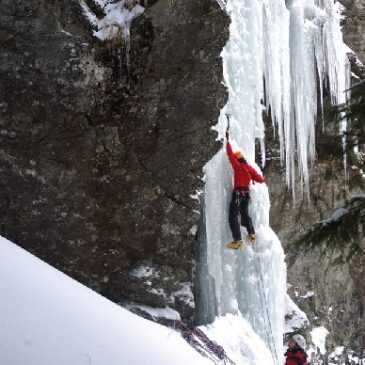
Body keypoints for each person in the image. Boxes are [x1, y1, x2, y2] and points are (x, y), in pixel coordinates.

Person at [226, 131, 264, 249]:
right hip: (246, 194)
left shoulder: (238, 166)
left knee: (233, 216)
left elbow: (230, 154)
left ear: (238, 159)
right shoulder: (249, 169)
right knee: (244, 214)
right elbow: (260, 179)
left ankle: (238, 240)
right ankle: (251, 234)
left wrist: (227, 140)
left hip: (238, 193)